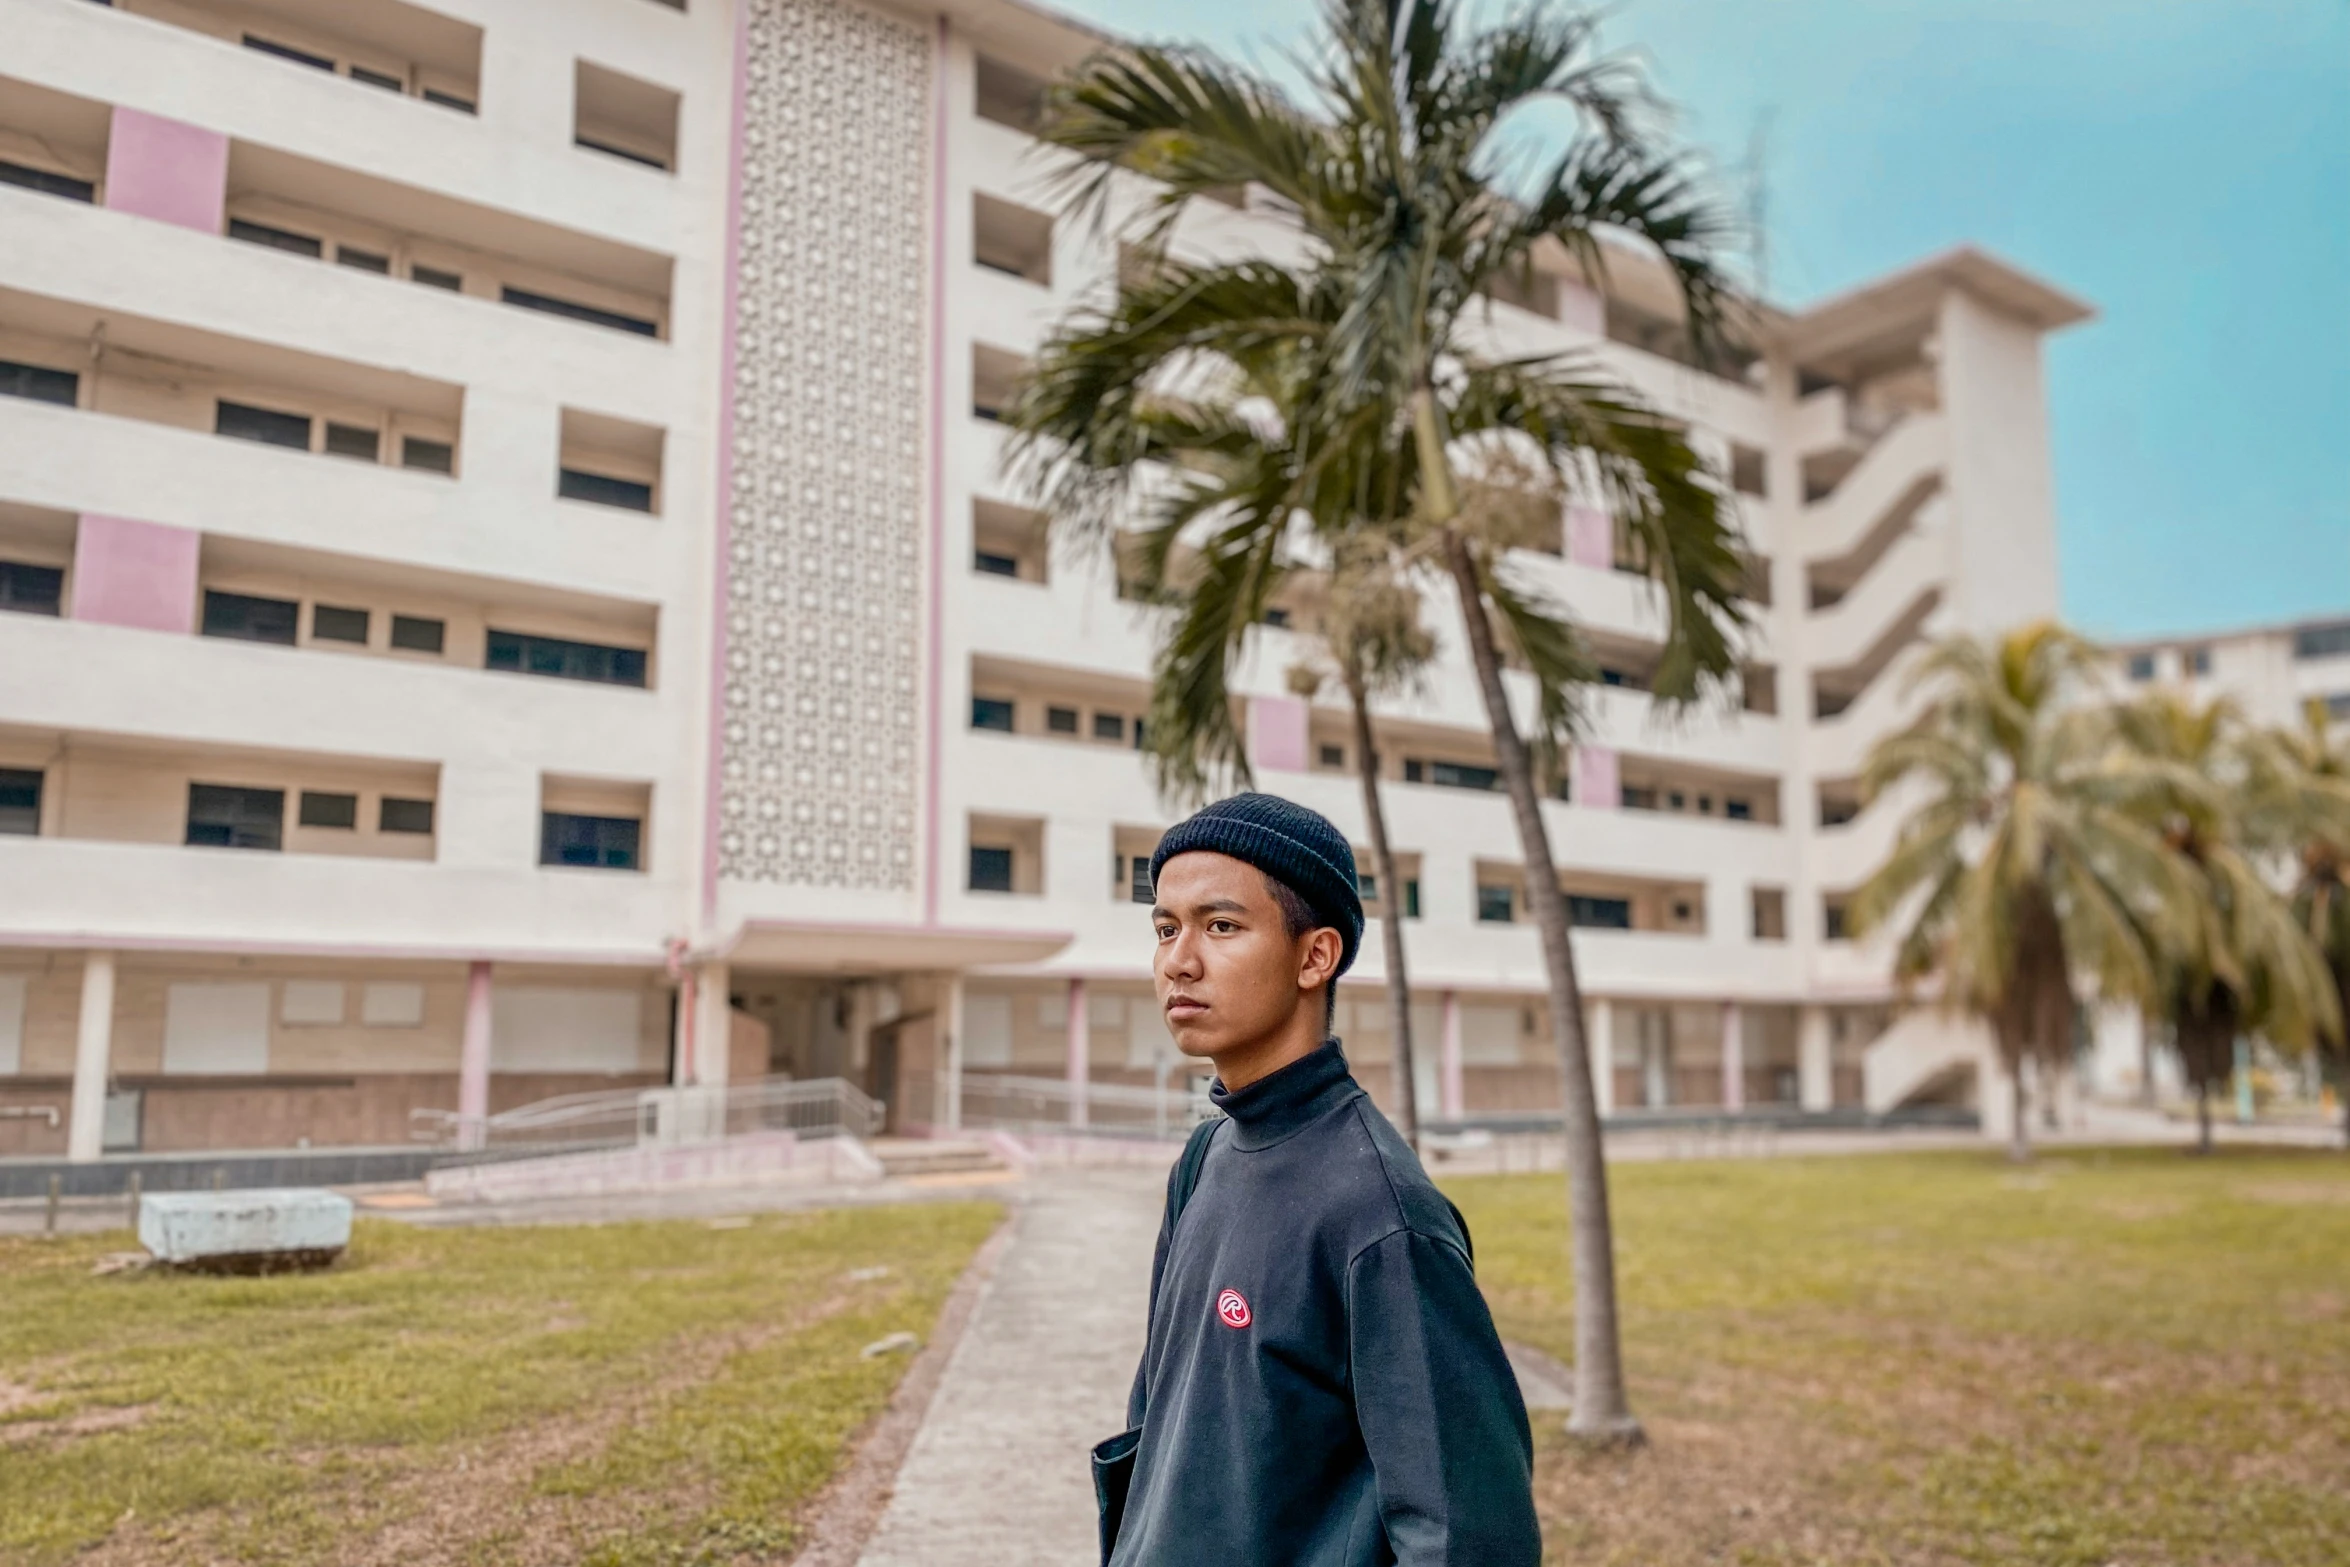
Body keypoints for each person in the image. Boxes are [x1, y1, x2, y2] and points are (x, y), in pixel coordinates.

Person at [1092, 792, 1542, 1566]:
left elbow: (1466, 1538)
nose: (1178, 959)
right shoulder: (1203, 1161)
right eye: (1166, 927)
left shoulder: (1383, 1216)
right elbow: (1161, 1423)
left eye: (1220, 925)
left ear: (1315, 956)